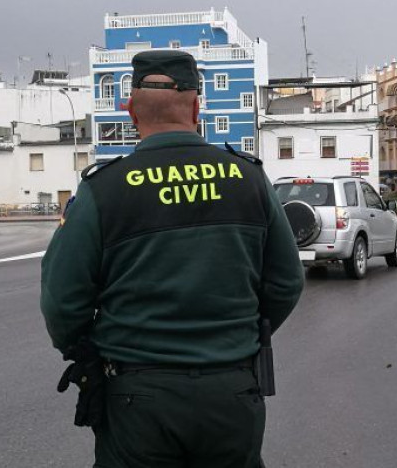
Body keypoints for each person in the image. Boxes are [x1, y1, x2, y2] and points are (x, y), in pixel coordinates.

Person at [40, 50, 305, 467]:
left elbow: (62, 298)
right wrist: (239, 334)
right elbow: (287, 282)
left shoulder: (103, 190)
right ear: (197, 107)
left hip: (137, 398)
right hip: (230, 390)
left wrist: (83, 348)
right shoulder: (249, 179)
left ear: (130, 111)